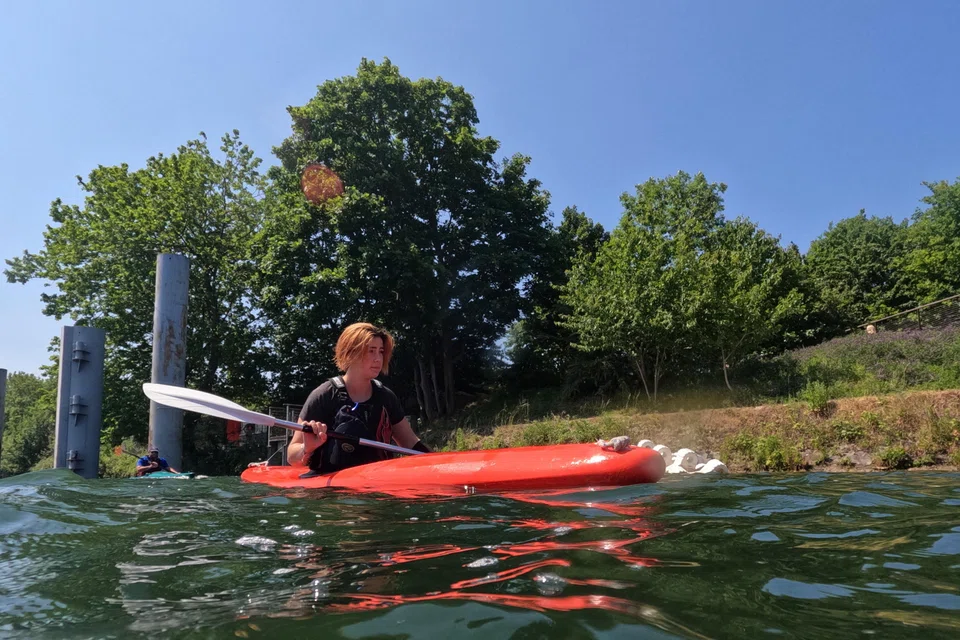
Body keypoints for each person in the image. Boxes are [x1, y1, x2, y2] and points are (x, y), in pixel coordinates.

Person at [287, 322, 430, 474]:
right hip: (330, 489)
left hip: (377, 485)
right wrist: (306, 449)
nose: (378, 358)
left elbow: (410, 443)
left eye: (381, 351)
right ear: (351, 352)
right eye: (371, 351)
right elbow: (292, 457)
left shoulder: (385, 397)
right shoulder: (324, 395)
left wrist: (438, 463)